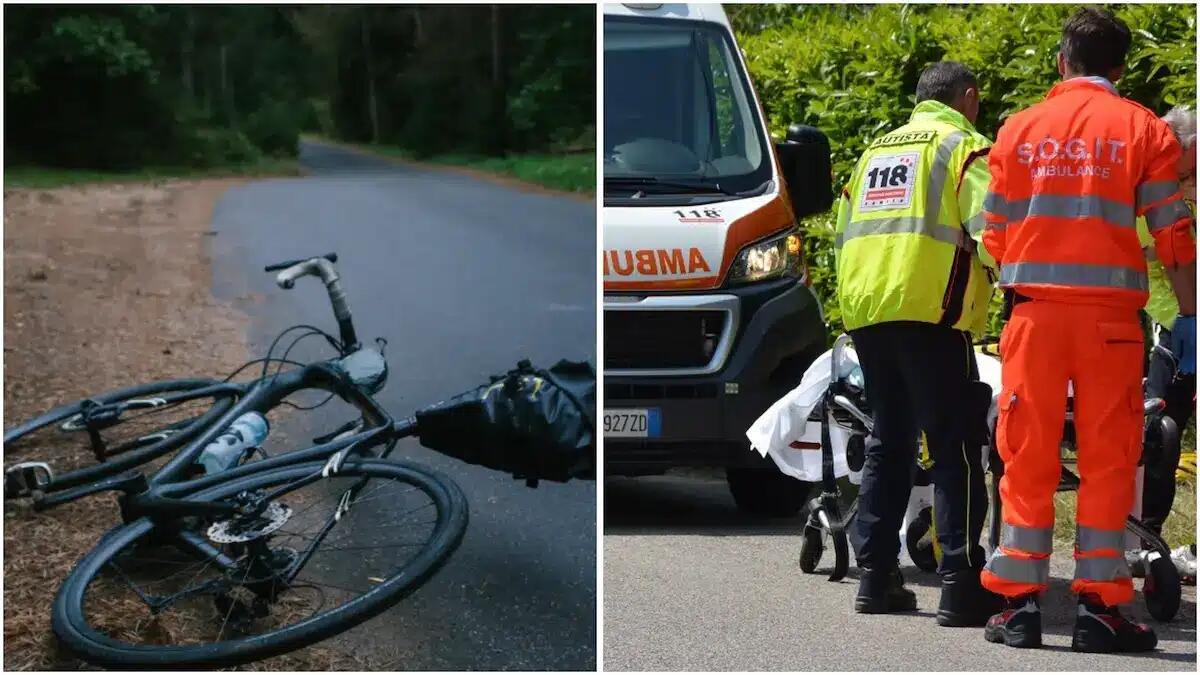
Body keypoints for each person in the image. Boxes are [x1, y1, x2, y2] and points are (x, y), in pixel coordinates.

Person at [979, 7, 1197, 653]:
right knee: (1109, 459)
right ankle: (1100, 611)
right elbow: (1174, 236)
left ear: (1061, 62)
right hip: (1111, 326)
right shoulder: (1144, 129)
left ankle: (1018, 606)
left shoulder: (1017, 131)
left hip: (1034, 319)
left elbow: (994, 237)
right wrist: (1190, 316)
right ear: (1121, 68)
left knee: (1027, 454)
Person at [833, 61, 1001, 626]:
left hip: (868, 312)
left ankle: (876, 578)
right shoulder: (963, 147)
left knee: (890, 441)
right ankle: (961, 583)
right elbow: (993, 229)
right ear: (968, 98)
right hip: (930, 312)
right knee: (955, 445)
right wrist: (1016, 283)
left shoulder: (873, 152)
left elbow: (843, 232)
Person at [1134, 106, 1196, 567]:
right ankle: (1147, 539)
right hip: (1173, 328)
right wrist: (1184, 319)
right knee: (1160, 436)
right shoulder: (1150, 190)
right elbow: (1159, 256)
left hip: (1183, 321)